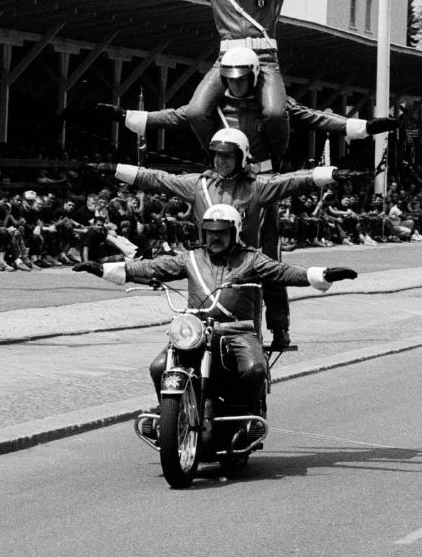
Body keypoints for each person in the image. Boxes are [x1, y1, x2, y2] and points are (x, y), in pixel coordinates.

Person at [73, 202, 357, 449]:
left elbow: (283, 272)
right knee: (159, 366)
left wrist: (322, 274)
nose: (215, 238)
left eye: (221, 233)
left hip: (238, 330)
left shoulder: (251, 259)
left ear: (234, 232)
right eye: (210, 233)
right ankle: (168, 413)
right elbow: (153, 267)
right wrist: (103, 268)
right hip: (195, 329)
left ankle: (244, 421)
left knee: (254, 369)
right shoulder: (192, 257)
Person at [106, 0, 380, 161]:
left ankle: (276, 158)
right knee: (197, 111)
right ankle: (217, 154)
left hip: (264, 59)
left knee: (275, 112)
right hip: (226, 59)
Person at [90, 126, 368, 350]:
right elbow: (159, 179)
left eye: (228, 156)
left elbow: (293, 180)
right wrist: (116, 169)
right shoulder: (198, 184)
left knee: (274, 276)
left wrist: (331, 174)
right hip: (206, 256)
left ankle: (279, 327)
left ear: (242, 157)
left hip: (245, 259)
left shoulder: (256, 187)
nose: (220, 161)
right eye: (217, 155)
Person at [102, 45, 399, 166]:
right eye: (230, 78)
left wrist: (364, 126)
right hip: (226, 169)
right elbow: (175, 116)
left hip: (263, 171)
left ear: (255, 75)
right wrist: (126, 115)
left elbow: (314, 118)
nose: (236, 84)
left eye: (242, 78)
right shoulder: (214, 104)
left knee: (267, 240)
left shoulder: (271, 103)